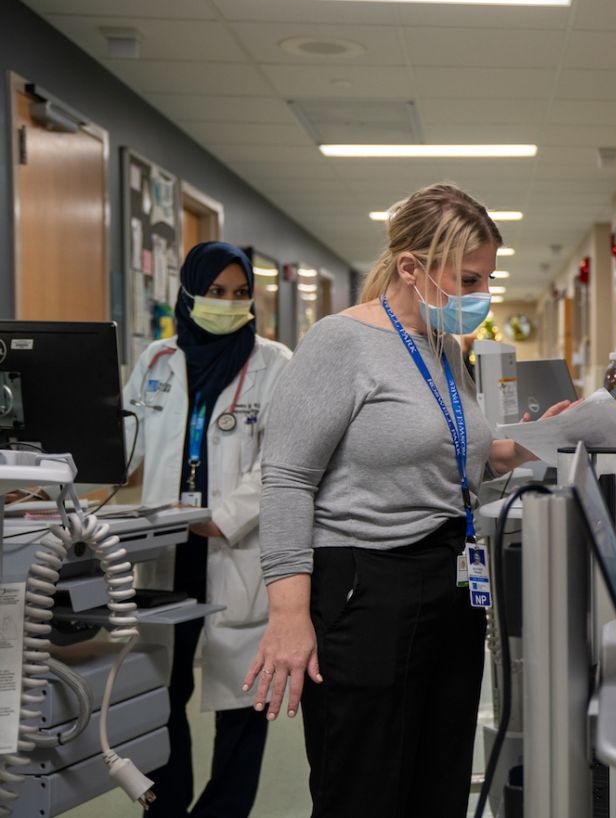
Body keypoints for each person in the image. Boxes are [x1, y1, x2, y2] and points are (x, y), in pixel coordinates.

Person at [247, 183, 564, 817]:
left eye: (487, 280)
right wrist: (288, 615)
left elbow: (450, 453)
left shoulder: (445, 347)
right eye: (468, 279)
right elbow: (285, 478)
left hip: (447, 578)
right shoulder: (340, 343)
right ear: (411, 266)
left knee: (438, 779)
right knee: (364, 789)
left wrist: (528, 445)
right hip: (365, 587)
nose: (481, 297)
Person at [124, 241, 293, 818]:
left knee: (244, 702)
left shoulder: (274, 363)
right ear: (190, 293)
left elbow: (282, 461)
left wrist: (224, 517)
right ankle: (165, 809)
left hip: (232, 544)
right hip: (165, 547)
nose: (228, 303)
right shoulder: (156, 360)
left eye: (240, 293)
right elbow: (122, 444)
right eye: (216, 292)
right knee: (160, 693)